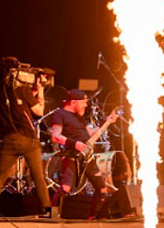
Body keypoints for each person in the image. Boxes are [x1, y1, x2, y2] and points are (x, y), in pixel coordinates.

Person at [0, 57, 52, 217]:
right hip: (27, 138)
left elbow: (14, 106)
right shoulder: (22, 90)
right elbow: (39, 112)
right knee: (38, 177)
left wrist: (29, 95)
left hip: (8, 139)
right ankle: (48, 210)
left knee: (0, 176)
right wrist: (40, 91)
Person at [50, 89, 119, 218]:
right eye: (84, 102)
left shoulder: (79, 117)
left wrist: (107, 122)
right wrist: (74, 143)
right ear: (74, 102)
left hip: (86, 157)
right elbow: (55, 136)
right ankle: (52, 215)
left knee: (102, 189)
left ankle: (93, 218)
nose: (86, 105)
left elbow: (89, 134)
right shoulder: (60, 114)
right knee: (65, 188)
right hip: (71, 156)